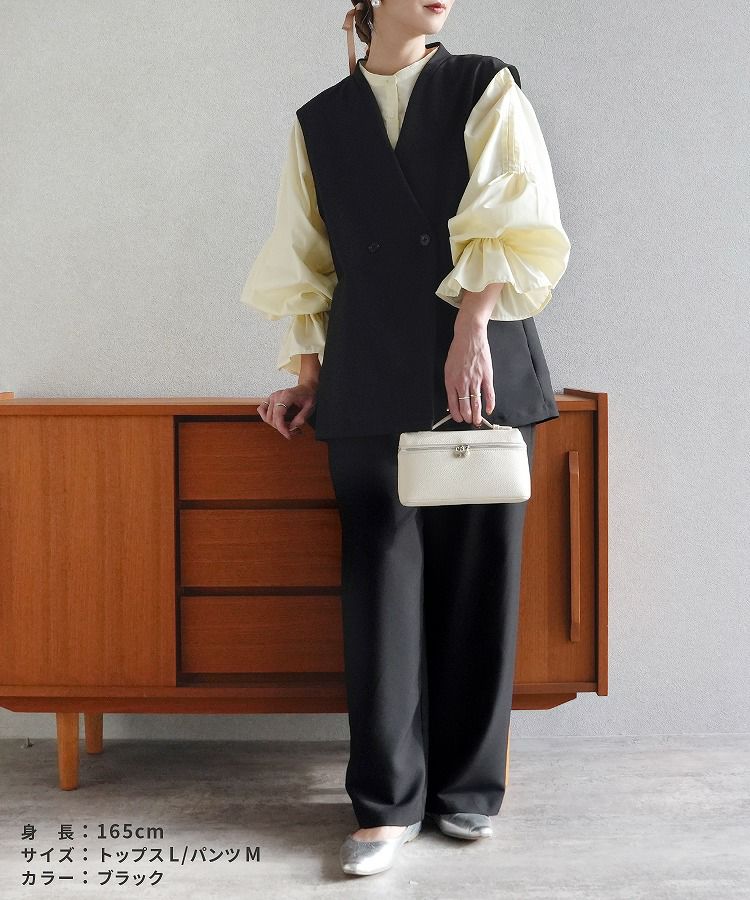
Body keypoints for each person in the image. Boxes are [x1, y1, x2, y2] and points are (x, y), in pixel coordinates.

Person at [240, 0, 571, 877]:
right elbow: (306, 254)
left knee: (479, 576)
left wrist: (471, 329)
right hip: (369, 369)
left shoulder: (485, 87)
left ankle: (467, 791)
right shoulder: (320, 121)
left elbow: (514, 208)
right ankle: (385, 806)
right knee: (378, 582)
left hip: (483, 361)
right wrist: (307, 375)